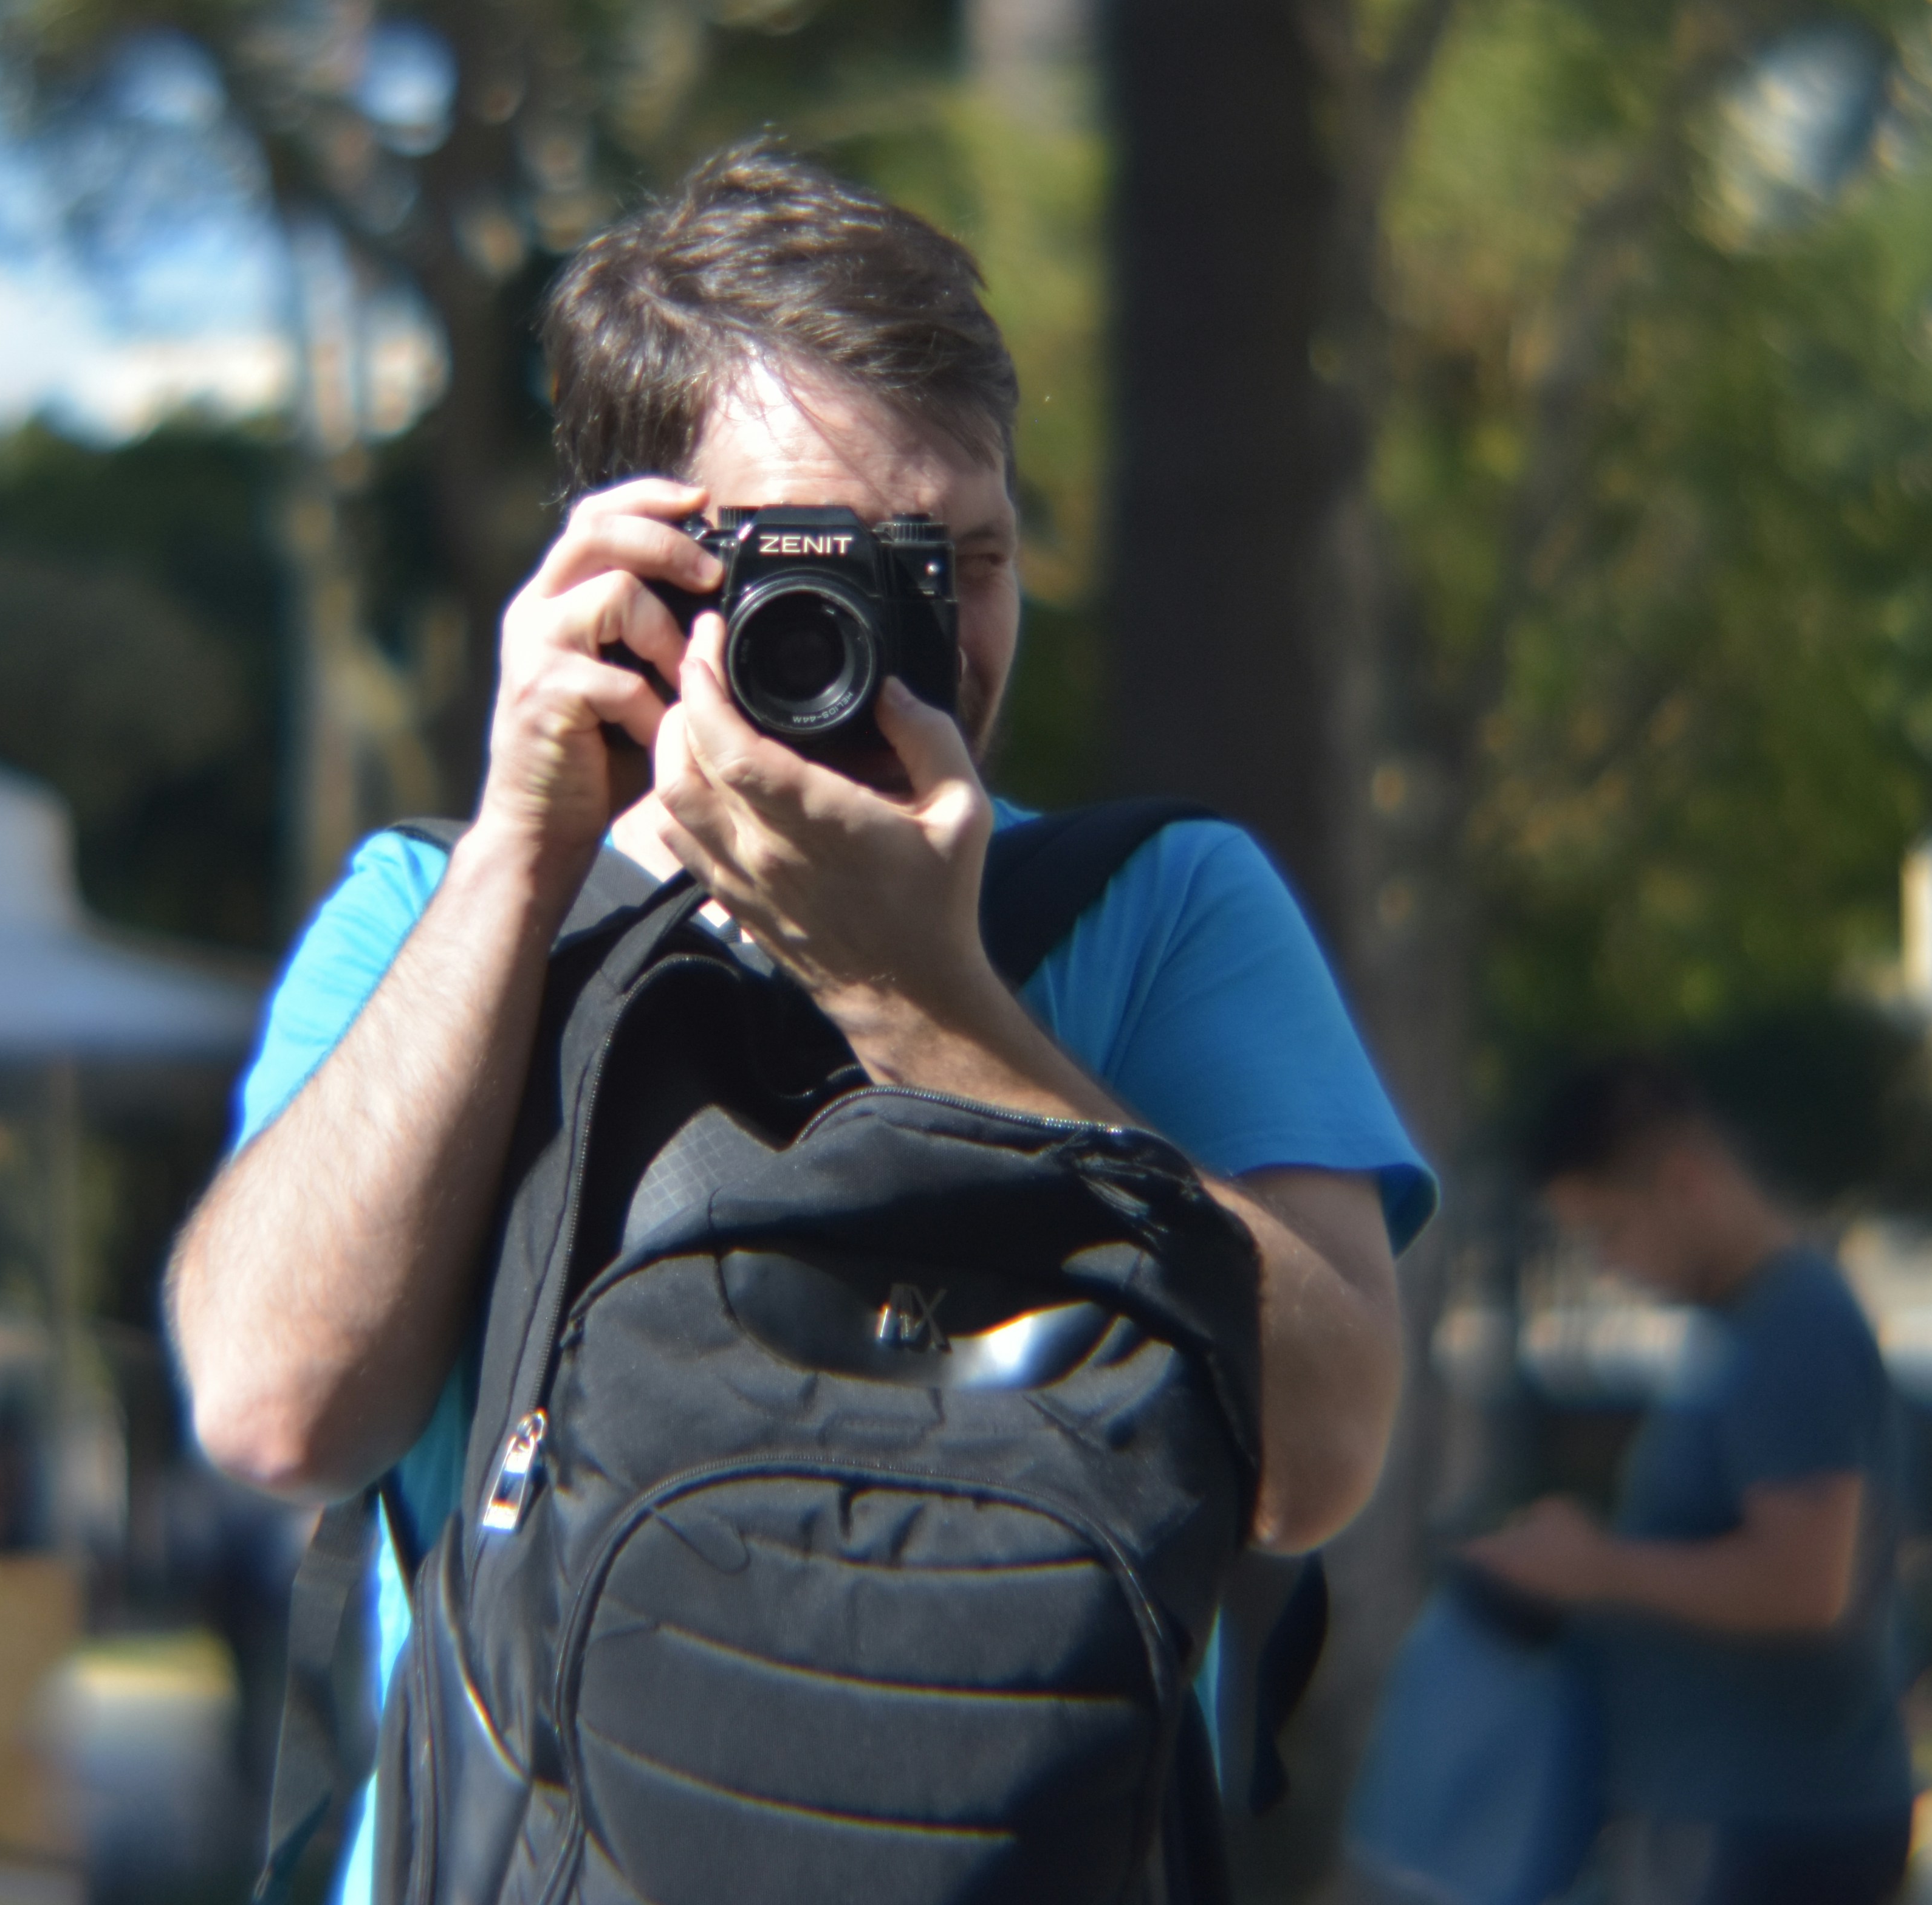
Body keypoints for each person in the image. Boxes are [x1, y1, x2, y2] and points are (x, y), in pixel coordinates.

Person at [165, 143, 1430, 1898]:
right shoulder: (430, 917)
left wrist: (928, 999)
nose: (911, 643)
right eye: (813, 567)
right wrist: (530, 853)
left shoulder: (1160, 915)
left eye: (962, 557)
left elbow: (1328, 1453)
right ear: (623, 564)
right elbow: (277, 1411)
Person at [1460, 1055, 1914, 1905]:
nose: (1607, 1265)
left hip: (1772, 1832)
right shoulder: (1744, 1329)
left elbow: (1808, 1582)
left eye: (1606, 1232)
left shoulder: (1797, 1326)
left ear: (1685, 1182)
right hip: (1727, 1820)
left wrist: (1594, 1567)